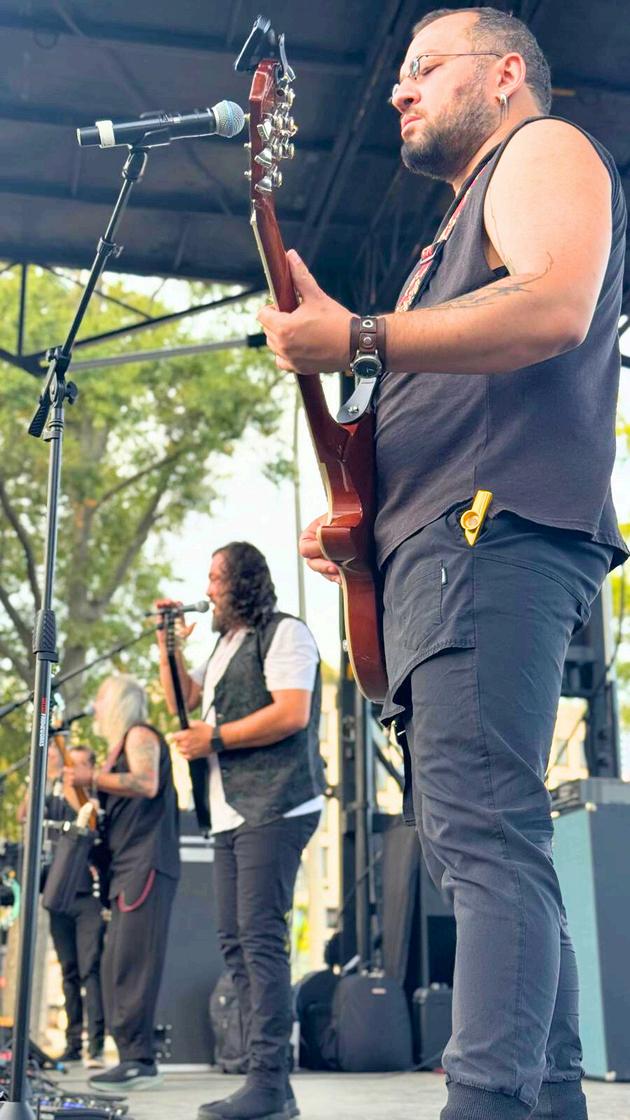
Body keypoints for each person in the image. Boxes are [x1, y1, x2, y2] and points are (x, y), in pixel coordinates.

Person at [256, 8, 627, 1120]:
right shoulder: (449, 232)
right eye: (401, 75)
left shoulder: (542, 148)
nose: (398, 90)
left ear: (505, 73)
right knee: (491, 851)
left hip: (489, 536)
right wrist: (361, 525)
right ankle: (540, 1099)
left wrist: (360, 336)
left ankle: (488, 1101)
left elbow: (554, 303)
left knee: (488, 841)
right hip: (438, 552)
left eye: (425, 68)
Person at [157, 541, 325, 1120]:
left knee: (259, 939)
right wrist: (168, 646)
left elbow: (291, 712)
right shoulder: (225, 646)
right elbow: (184, 700)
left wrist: (217, 738)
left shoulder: (285, 634)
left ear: (244, 582)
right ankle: (271, 1083)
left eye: (216, 578)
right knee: (235, 940)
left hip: (277, 804)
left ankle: (268, 1081)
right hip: (232, 811)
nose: (208, 590)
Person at [64, 673, 180, 1093]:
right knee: (115, 964)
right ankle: (130, 1056)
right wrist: (78, 791)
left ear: (117, 703)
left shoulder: (140, 735)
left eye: (100, 697)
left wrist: (90, 778)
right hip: (125, 867)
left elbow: (146, 783)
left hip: (145, 863)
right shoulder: (117, 750)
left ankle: (139, 1060)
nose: (94, 706)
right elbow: (103, 813)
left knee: (133, 963)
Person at [19, 739, 106, 1067]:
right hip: (59, 894)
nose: (72, 771)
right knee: (68, 970)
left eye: (79, 765)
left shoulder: (93, 799)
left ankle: (96, 1046)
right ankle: (73, 1044)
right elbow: (24, 816)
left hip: (87, 896)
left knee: (89, 969)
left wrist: (72, 784)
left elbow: (92, 820)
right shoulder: (52, 793)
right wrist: (40, 778)